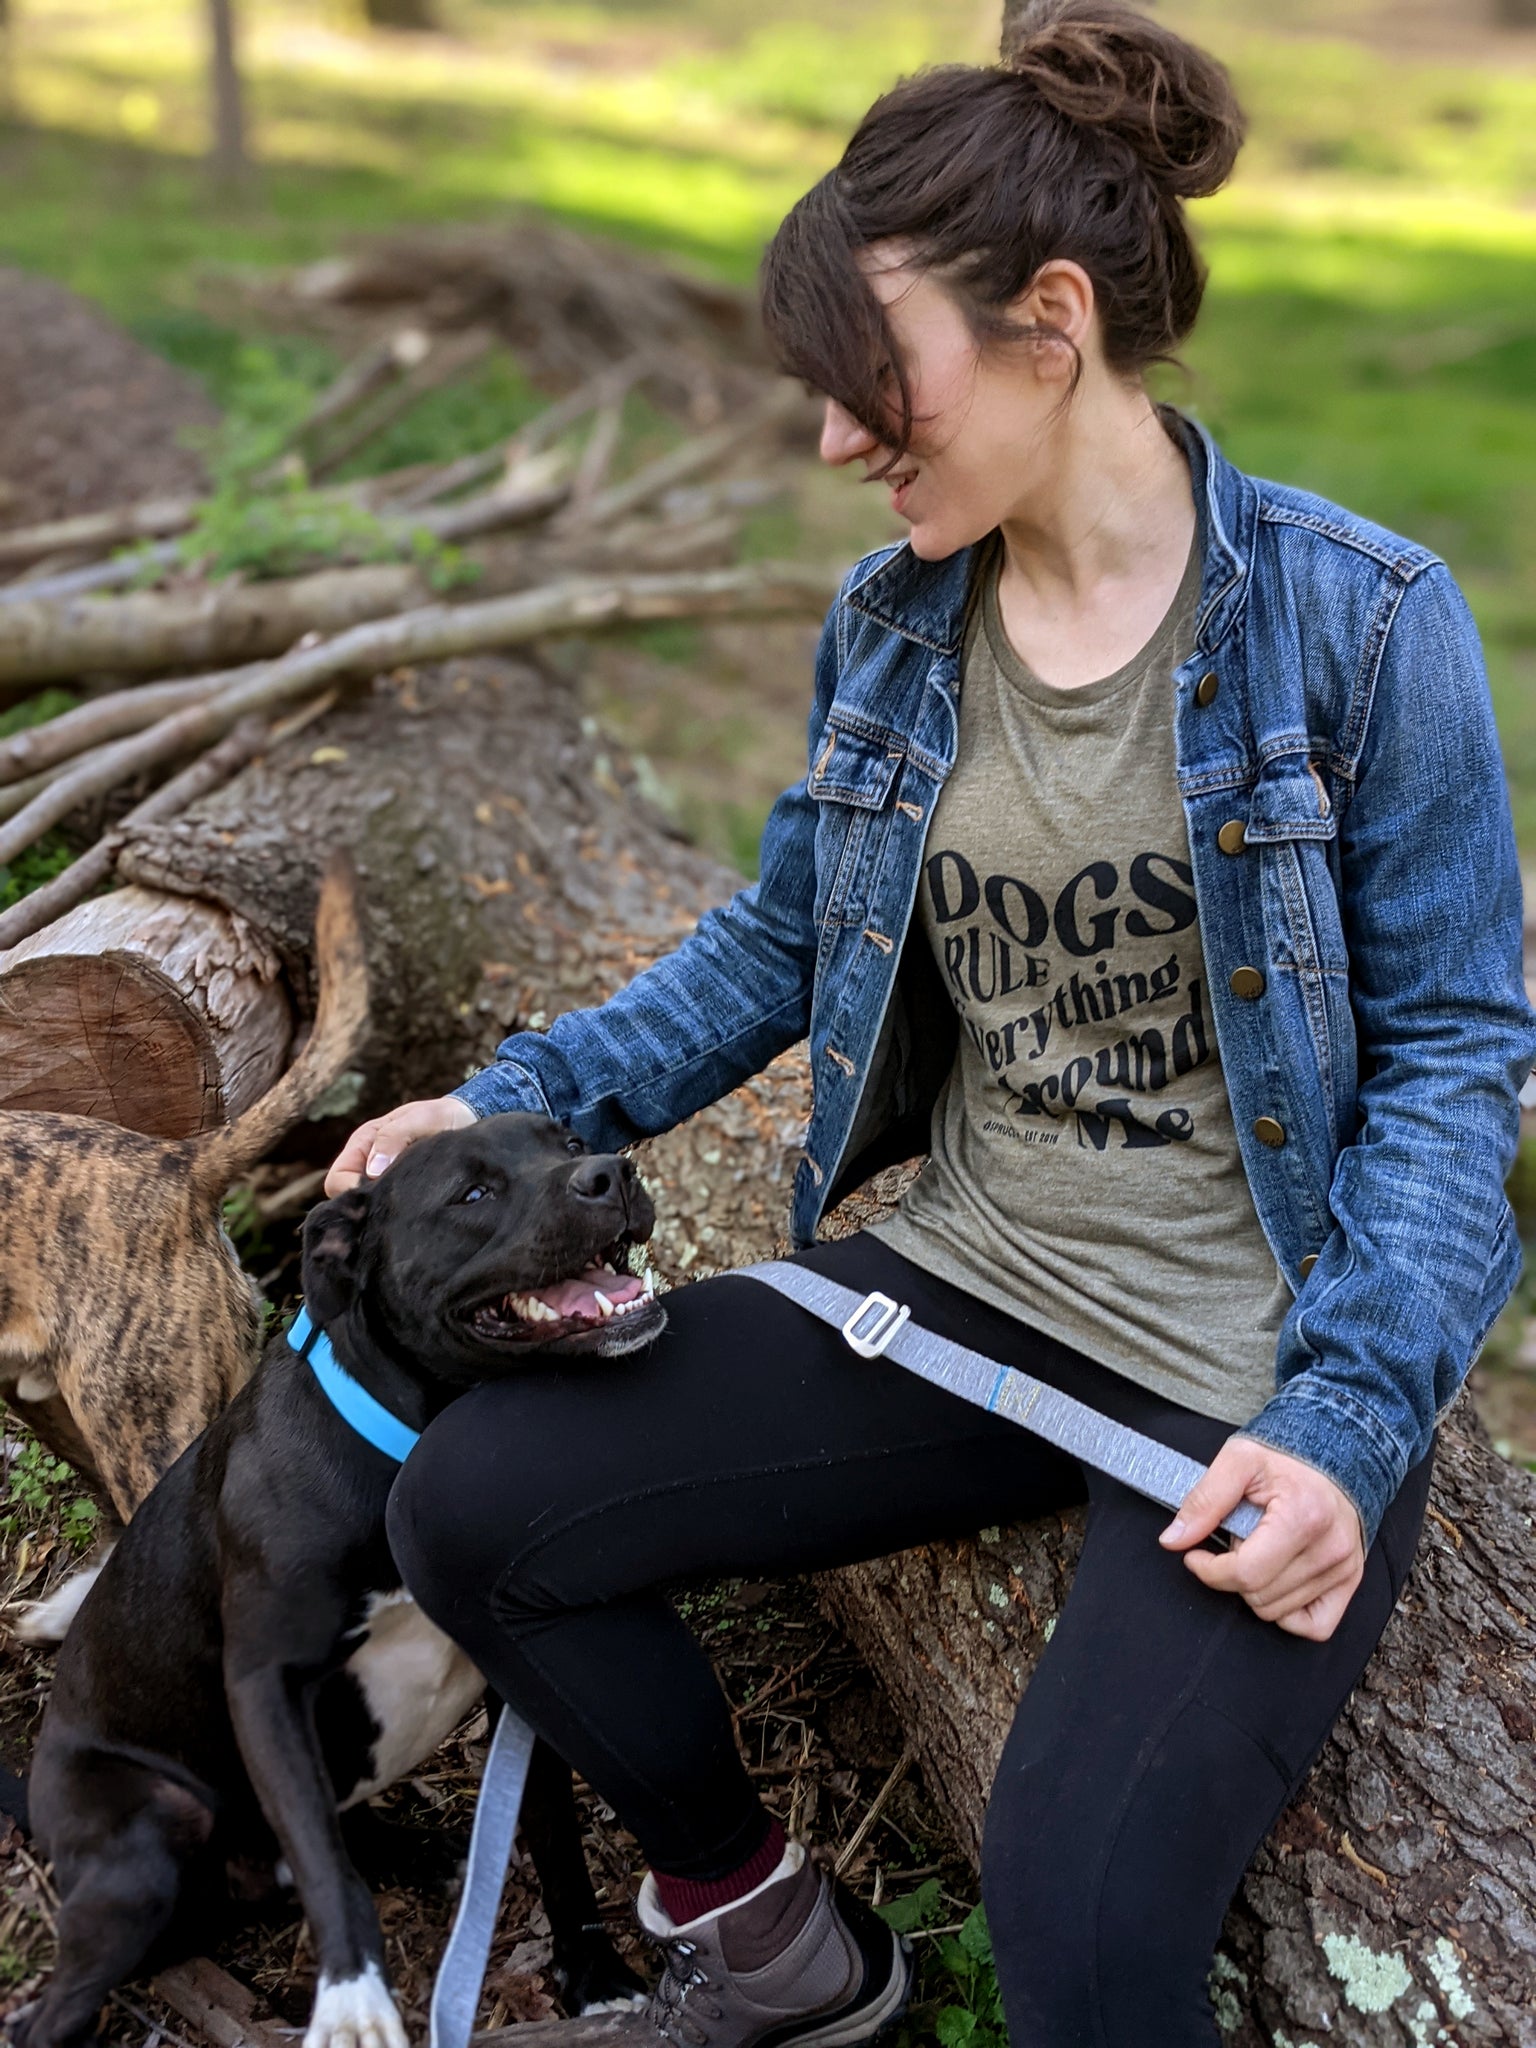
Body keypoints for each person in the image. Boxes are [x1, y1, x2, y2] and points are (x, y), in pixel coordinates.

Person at [326, 5, 1536, 2041]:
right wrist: (509, 1093)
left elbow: (1453, 1056)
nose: (831, 440)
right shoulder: (896, 622)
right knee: (470, 1506)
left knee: (1076, 1940)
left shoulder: (1365, 621)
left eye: (870, 382)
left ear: (1048, 320)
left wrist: (1341, 1426)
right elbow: (784, 943)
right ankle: (779, 1947)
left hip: (1246, 1369)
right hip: (966, 1292)